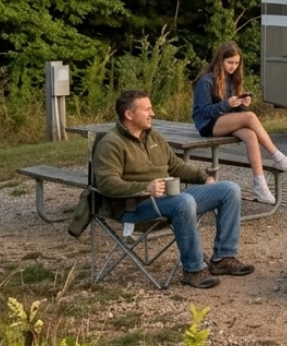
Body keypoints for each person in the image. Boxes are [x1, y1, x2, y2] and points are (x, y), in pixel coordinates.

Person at [93, 90, 255, 289]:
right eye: (147, 109)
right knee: (184, 202)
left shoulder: (154, 137)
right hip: (134, 207)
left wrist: (204, 177)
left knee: (229, 189)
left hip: (168, 200)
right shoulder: (111, 143)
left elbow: (176, 167)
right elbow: (107, 184)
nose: (152, 113)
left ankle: (223, 258)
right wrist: (145, 188)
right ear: (129, 114)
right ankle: (194, 270)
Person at [192, 41, 287, 205]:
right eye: (230, 62)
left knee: (250, 135)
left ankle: (260, 184)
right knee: (250, 117)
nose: (233, 67)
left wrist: (241, 104)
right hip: (207, 124)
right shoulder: (206, 81)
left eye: (237, 63)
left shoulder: (232, 79)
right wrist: (227, 104)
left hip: (225, 120)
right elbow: (203, 111)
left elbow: (234, 112)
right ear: (220, 60)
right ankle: (278, 157)